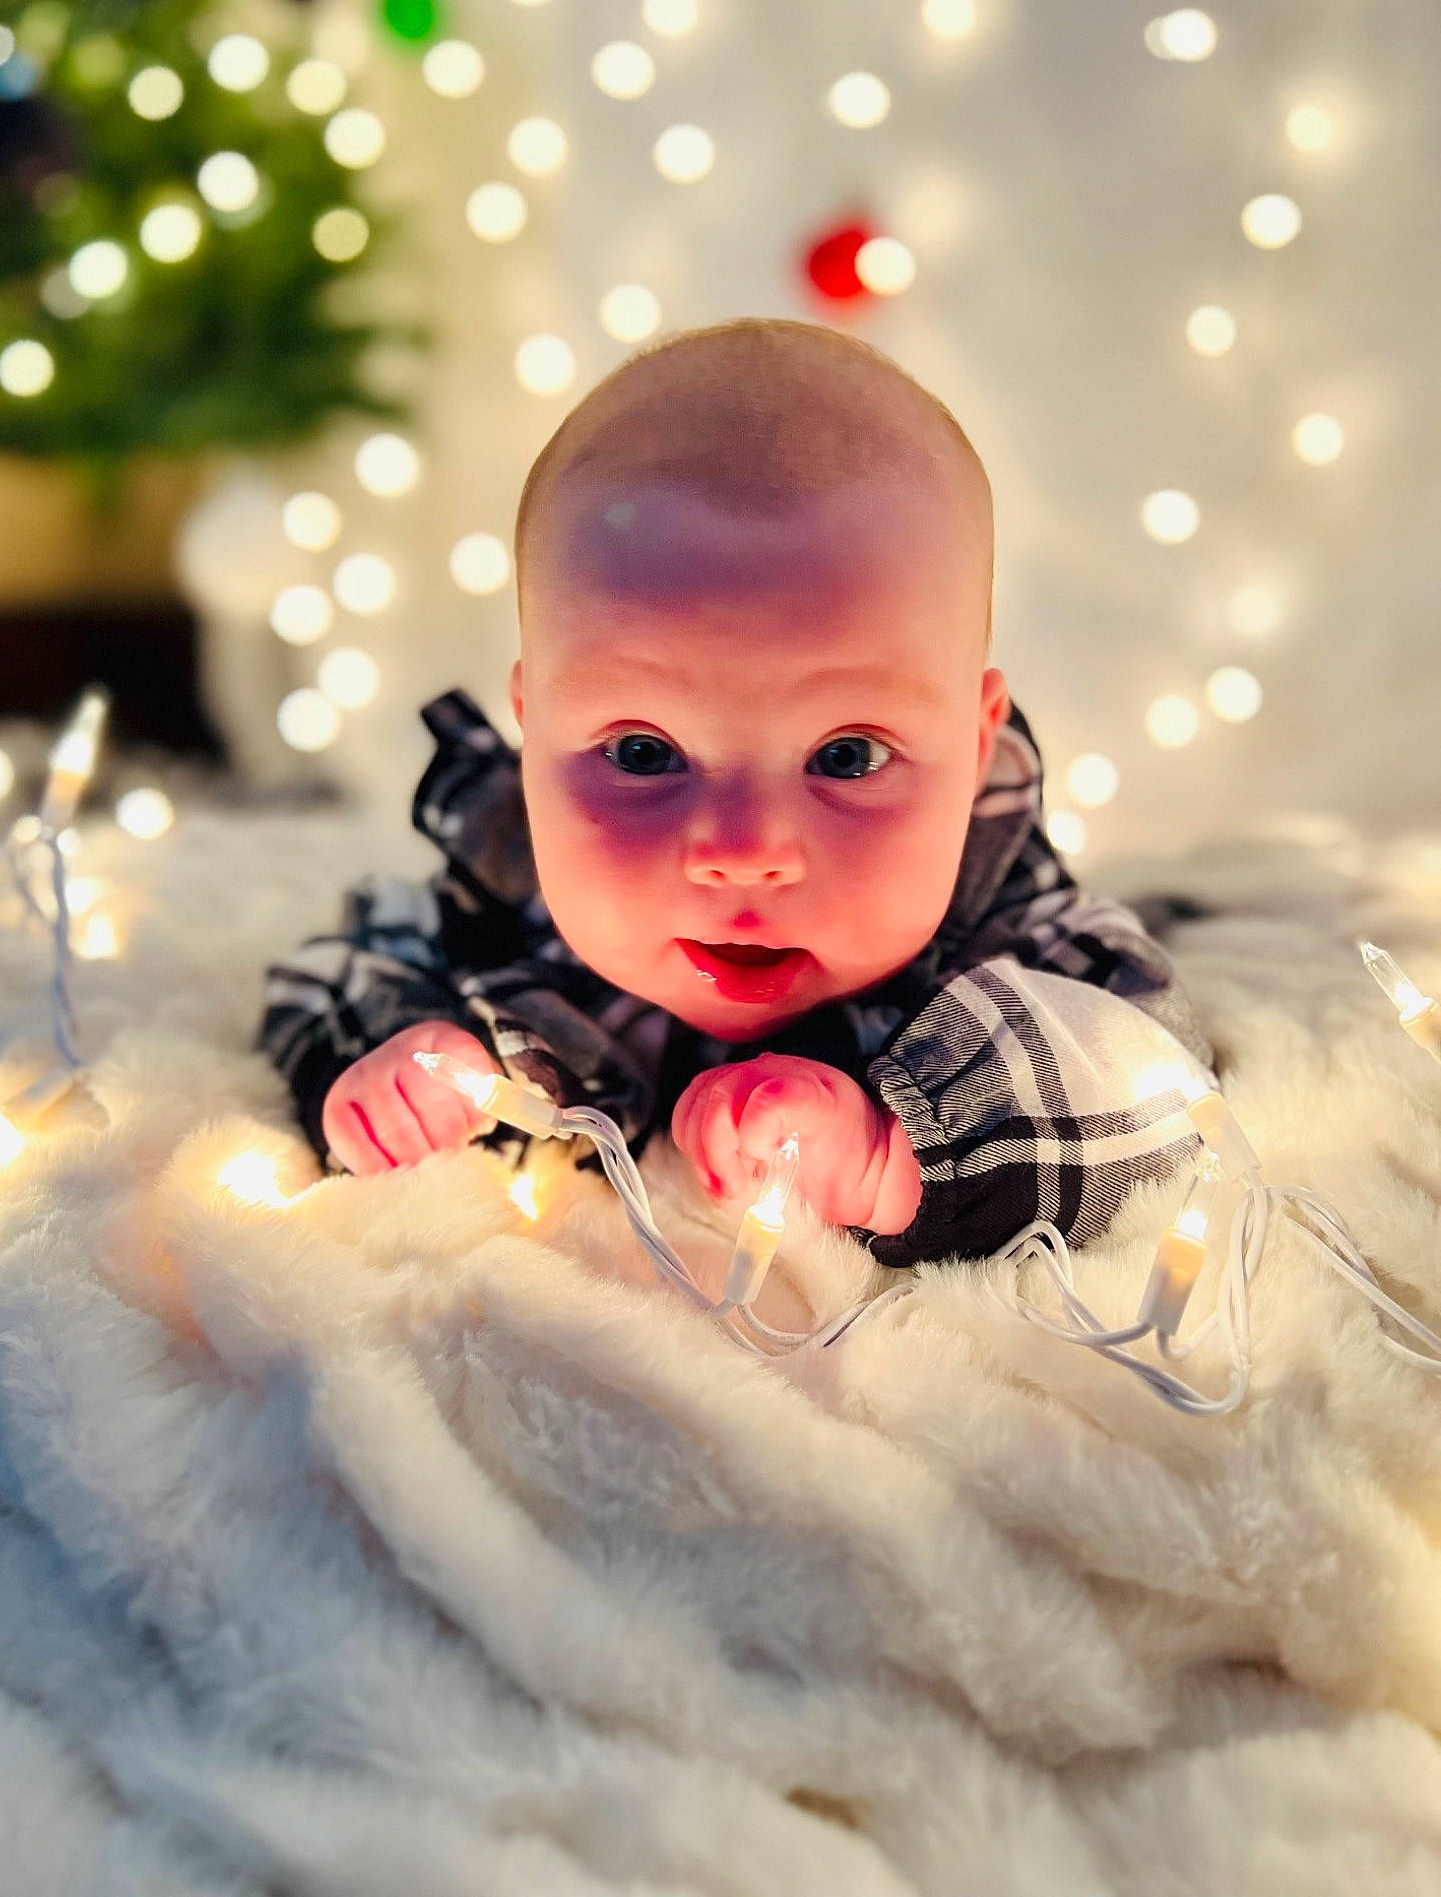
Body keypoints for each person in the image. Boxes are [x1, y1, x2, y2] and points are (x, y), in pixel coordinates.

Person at [258, 318, 1216, 1265]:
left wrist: (892, 1157)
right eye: (640, 752)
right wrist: (398, 1061)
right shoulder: (513, 891)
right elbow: (335, 971)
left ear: (974, 748)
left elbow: (1160, 1080)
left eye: (846, 757)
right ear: (533, 725)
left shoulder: (998, 927)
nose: (744, 849)